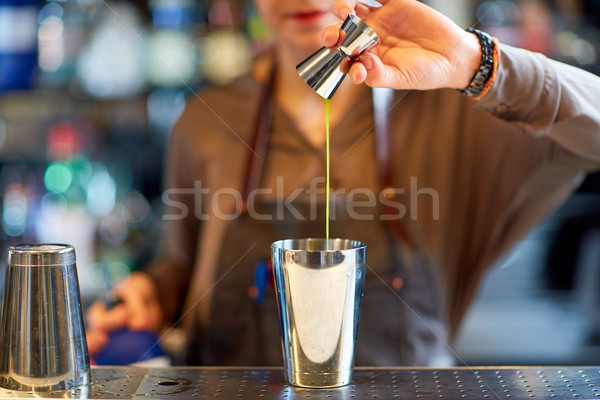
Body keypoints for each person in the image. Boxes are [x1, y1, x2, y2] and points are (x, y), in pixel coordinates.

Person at [86, 0, 600, 366]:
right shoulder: (206, 118)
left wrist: (474, 63)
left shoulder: (459, 112)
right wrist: (155, 293)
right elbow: (187, 266)